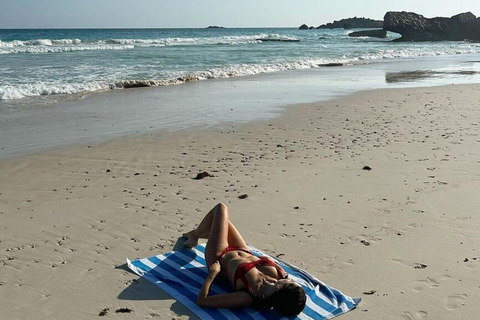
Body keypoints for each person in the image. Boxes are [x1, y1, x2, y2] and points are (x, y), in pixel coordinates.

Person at [182, 203, 306, 316]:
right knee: (221, 220)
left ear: (280, 288)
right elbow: (267, 261)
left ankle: (195, 236)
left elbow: (202, 301)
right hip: (242, 249)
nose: (291, 280)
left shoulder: (247, 296)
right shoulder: (281, 277)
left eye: (291, 283)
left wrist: (212, 274)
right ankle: (203, 232)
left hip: (219, 256)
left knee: (220, 209)